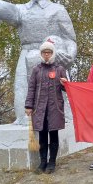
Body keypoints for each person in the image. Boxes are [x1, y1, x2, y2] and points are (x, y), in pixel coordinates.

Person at [25, 41, 68, 174]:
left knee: (53, 135)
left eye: (49, 52)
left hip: (54, 108)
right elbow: (31, 88)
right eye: (44, 52)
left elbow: (66, 89)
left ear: (53, 53)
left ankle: (52, 162)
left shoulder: (60, 69)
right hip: (40, 109)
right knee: (42, 136)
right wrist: (28, 105)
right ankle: (42, 162)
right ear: (41, 54)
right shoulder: (36, 70)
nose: (46, 55)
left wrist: (65, 84)